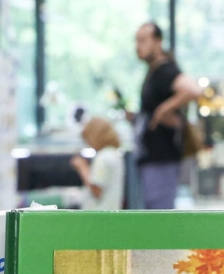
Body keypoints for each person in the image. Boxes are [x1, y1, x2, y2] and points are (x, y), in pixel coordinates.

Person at [133, 21, 200, 209]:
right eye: (137, 41)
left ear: (158, 42)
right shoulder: (154, 71)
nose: (138, 46)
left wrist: (163, 110)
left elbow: (194, 89)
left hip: (161, 160)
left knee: (159, 214)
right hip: (152, 159)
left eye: (143, 40)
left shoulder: (165, 70)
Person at [71, 117, 125, 211]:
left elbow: (96, 190)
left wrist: (82, 167)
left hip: (98, 214)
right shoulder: (114, 154)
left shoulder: (103, 157)